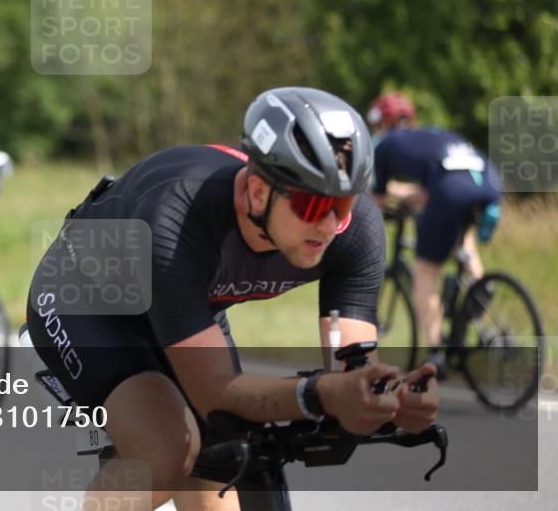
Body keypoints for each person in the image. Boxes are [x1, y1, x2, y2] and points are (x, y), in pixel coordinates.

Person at [27, 87, 439, 511]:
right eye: (314, 205)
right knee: (169, 450)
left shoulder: (354, 231)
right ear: (259, 193)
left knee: (222, 466)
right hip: (86, 301)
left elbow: (352, 364)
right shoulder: (175, 217)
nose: (332, 225)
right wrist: (319, 394)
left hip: (187, 306)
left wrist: (389, 398)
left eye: (346, 203)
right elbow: (216, 392)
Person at [367, 93, 503, 377]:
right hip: (487, 181)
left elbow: (375, 204)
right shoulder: (434, 135)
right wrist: (403, 197)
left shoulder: (385, 147)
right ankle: (477, 284)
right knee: (459, 235)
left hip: (450, 189)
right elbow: (427, 193)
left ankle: (436, 355)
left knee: (426, 270)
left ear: (381, 124)